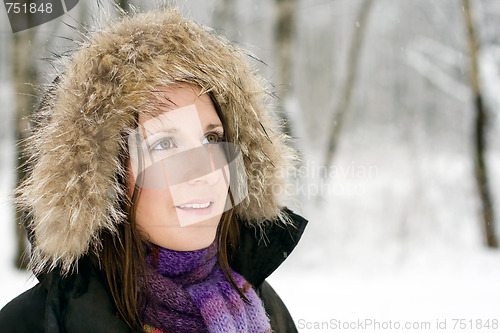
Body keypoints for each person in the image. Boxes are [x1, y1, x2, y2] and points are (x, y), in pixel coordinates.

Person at [0, 8, 307, 333]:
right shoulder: (31, 323)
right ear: (104, 180)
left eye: (212, 139)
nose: (205, 172)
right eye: (164, 144)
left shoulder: (263, 306)